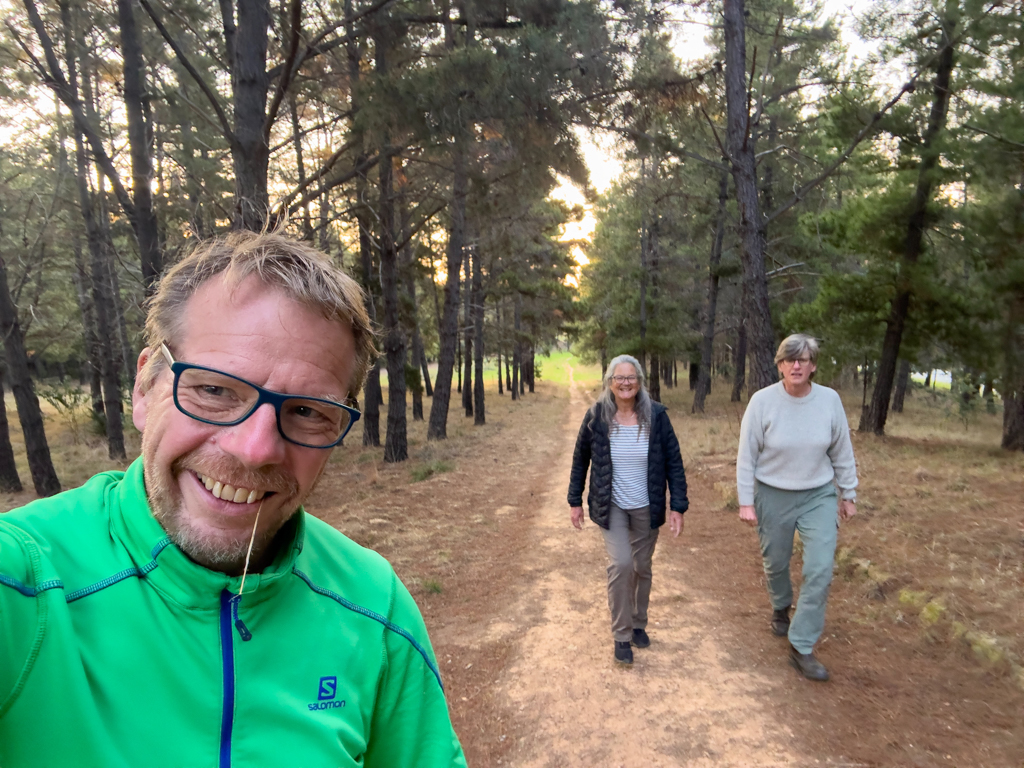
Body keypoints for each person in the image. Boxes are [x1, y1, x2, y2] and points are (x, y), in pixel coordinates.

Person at [0, 232, 466, 768]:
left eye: (308, 412)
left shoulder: (374, 606)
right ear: (143, 388)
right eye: (215, 390)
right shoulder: (26, 587)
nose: (255, 449)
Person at [736, 333, 859, 682]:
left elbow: (841, 450)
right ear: (779, 365)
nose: (796, 365)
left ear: (813, 365)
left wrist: (848, 494)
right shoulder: (762, 403)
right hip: (772, 493)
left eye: (804, 359)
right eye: (790, 359)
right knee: (775, 562)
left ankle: (801, 645)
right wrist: (746, 500)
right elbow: (747, 456)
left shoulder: (829, 401)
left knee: (819, 568)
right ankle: (780, 605)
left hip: (817, 494)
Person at [567, 354, 689, 664]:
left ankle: (638, 623)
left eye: (631, 377)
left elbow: (674, 462)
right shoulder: (596, 416)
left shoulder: (657, 416)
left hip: (647, 506)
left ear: (640, 382)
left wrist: (678, 506)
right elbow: (581, 460)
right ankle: (621, 635)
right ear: (609, 382)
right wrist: (574, 501)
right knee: (621, 564)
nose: (625, 383)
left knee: (641, 567)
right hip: (612, 507)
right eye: (619, 378)